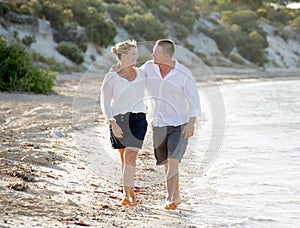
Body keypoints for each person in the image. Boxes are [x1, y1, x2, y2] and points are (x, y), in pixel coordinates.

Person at [141, 39, 201, 210]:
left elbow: (194, 100)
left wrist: (191, 122)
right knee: (167, 163)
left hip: (179, 123)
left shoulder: (183, 74)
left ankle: (169, 198)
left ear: (166, 56)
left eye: (156, 53)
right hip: (158, 122)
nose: (152, 55)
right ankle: (177, 194)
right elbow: (135, 78)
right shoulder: (148, 68)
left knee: (173, 160)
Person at [100, 40, 148, 206]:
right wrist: (112, 123)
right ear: (123, 55)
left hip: (139, 119)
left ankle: (126, 196)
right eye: (133, 53)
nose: (137, 56)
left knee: (130, 156)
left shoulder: (143, 73)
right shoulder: (111, 77)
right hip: (118, 120)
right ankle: (130, 191)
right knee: (124, 159)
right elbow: (105, 102)